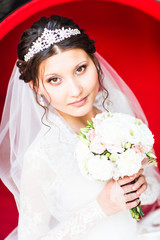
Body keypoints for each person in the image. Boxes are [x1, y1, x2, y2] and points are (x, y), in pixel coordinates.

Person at [0, 14, 160, 240]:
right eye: (54, 79)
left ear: (94, 62)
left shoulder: (117, 105)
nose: (75, 90)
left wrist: (138, 185)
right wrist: (100, 207)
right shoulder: (40, 158)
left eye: (80, 69)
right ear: (36, 86)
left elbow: (153, 192)